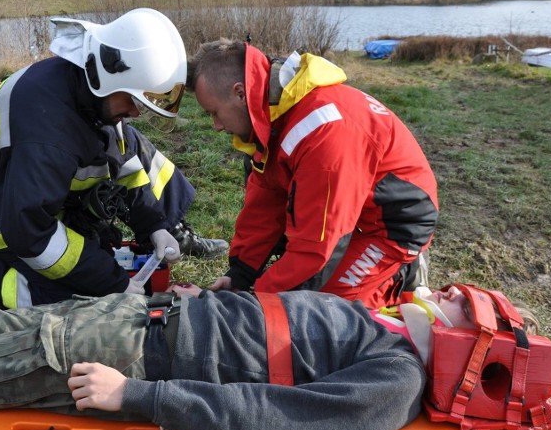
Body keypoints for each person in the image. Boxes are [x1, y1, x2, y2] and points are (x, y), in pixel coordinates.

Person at [0, 278, 428, 430]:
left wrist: (136, 397)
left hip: (139, 356)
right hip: (146, 315)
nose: (453, 307)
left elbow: (265, 413)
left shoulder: (396, 383)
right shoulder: (396, 327)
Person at [0, 8, 228, 310]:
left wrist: (155, 225)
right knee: (76, 302)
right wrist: (114, 283)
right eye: (133, 100)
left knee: (139, 147)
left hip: (31, 192)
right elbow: (33, 233)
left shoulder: (91, 92)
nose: (136, 112)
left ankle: (173, 231)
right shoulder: (46, 131)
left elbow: (125, 162)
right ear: (110, 78)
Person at [187, 39, 439, 308]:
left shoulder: (323, 133)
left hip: (394, 223)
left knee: (331, 310)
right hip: (353, 207)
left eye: (213, 113)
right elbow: (265, 199)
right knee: (300, 293)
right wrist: (240, 274)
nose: (215, 126)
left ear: (239, 93)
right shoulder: (274, 112)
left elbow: (316, 249)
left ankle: (400, 276)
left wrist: (256, 304)